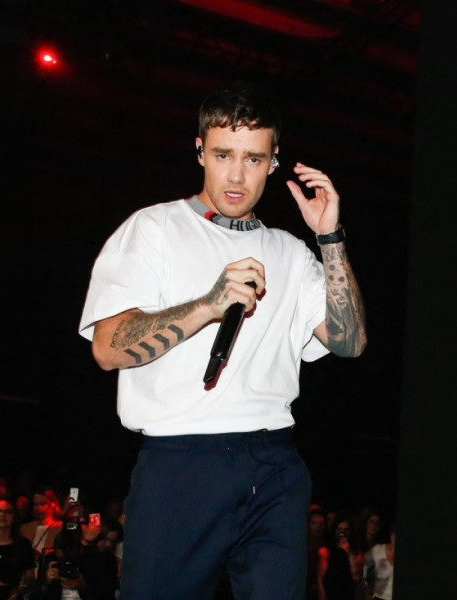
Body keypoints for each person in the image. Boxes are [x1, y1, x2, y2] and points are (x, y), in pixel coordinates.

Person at [79, 80, 367, 599]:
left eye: (253, 159)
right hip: (181, 463)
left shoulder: (291, 251)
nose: (236, 175)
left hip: (275, 464)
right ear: (199, 151)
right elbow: (107, 347)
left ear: (273, 161)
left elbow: (350, 342)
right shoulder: (153, 228)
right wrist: (208, 305)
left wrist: (329, 237)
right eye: (222, 155)